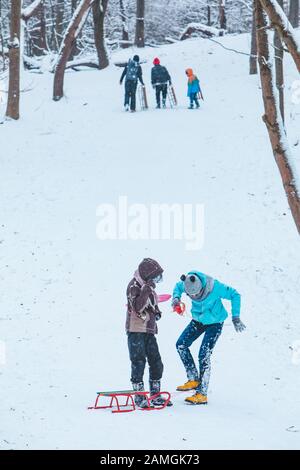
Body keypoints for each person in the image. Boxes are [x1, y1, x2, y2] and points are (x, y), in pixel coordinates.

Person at [172, 271, 245, 405]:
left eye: (195, 294)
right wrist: (176, 299)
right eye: (190, 295)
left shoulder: (215, 287)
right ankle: (193, 378)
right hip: (198, 320)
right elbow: (178, 287)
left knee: (204, 354)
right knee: (181, 344)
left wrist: (236, 316)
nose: (193, 296)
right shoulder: (187, 281)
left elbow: (235, 295)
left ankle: (202, 394)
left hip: (215, 322)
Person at [126, 258, 172, 408]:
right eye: (155, 277)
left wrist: (157, 312)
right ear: (147, 275)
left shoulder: (149, 287)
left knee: (156, 362)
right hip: (136, 329)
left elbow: (152, 304)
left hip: (149, 330)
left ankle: (155, 394)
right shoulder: (133, 286)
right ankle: (139, 397)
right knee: (138, 361)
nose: (156, 281)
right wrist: (146, 288)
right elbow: (138, 307)